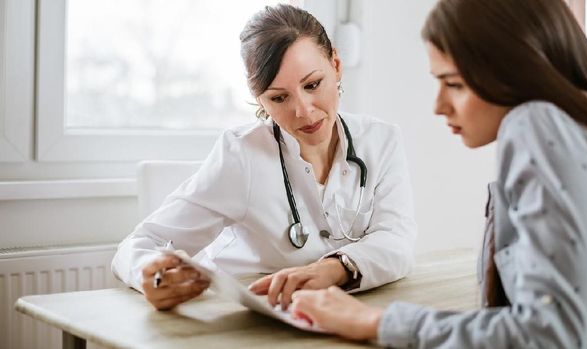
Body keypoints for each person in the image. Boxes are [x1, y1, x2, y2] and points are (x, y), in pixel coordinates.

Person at [289, 0, 587, 347]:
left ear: (516, 68)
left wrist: (378, 321)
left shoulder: (536, 124)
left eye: (455, 84)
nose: (439, 106)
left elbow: (549, 334)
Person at [111, 4, 416, 312]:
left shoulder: (381, 140)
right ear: (260, 99)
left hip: (332, 318)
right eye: (278, 97)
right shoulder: (241, 155)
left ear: (336, 65)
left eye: (313, 84)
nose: (304, 111)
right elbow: (139, 245)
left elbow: (397, 240)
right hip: (241, 320)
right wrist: (149, 274)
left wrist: (334, 269)